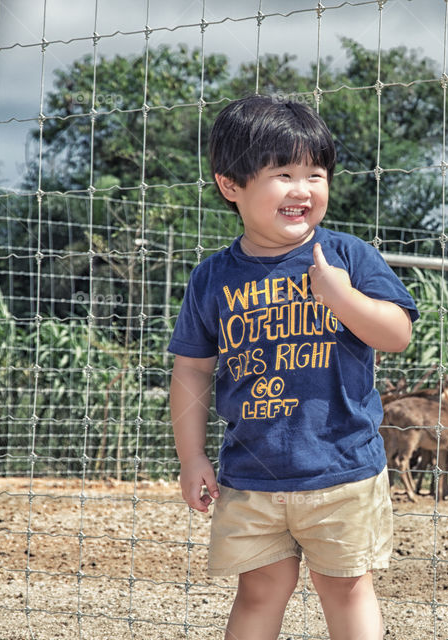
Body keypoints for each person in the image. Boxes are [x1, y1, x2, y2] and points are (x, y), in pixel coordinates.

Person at [168, 95, 417, 640]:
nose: (302, 189)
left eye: (315, 173)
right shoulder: (212, 278)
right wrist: (192, 457)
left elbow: (397, 333)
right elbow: (191, 370)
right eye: (283, 174)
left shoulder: (348, 257)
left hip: (344, 470)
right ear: (231, 185)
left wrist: (340, 297)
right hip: (250, 477)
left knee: (348, 587)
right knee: (258, 591)